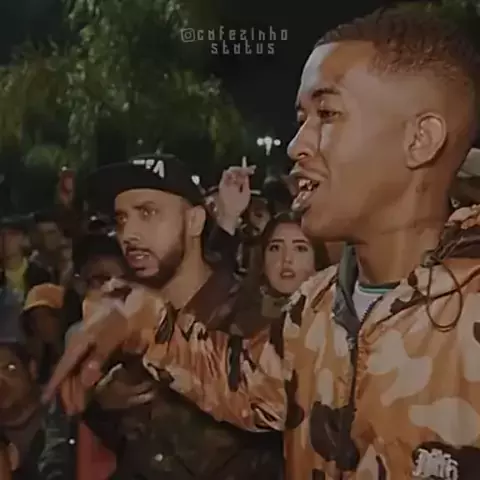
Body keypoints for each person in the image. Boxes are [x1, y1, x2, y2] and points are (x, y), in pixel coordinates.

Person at [45, 5, 480, 479]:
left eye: (327, 113)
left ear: (420, 139)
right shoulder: (314, 307)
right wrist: (137, 318)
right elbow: (242, 384)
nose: (296, 145)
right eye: (302, 117)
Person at [49, 153, 284, 479]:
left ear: (195, 222)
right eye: (121, 219)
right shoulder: (118, 319)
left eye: (148, 213)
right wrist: (100, 403)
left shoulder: (259, 319)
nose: (129, 234)